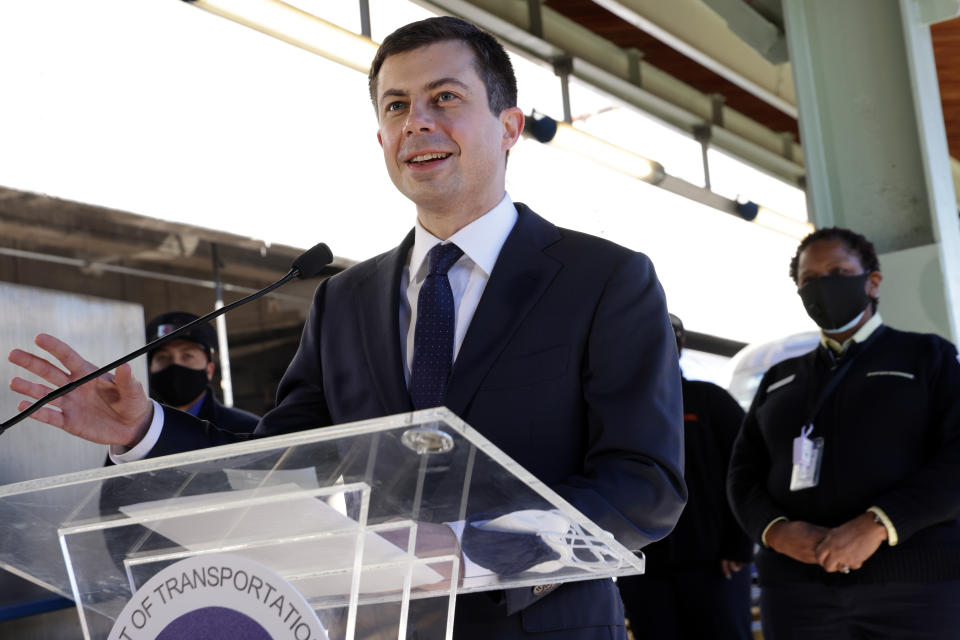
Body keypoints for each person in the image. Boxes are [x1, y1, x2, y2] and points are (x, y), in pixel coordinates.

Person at [8, 16, 685, 639]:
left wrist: (472, 545)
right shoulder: (344, 300)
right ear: (381, 138)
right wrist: (143, 432)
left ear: (509, 127)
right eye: (396, 106)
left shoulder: (604, 281)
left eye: (444, 98)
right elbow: (273, 466)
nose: (416, 122)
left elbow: (645, 486)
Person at [727, 227, 960, 639]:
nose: (823, 286)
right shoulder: (780, 378)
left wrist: (878, 524)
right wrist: (775, 531)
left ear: (872, 281)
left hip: (915, 588)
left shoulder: (927, 356)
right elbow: (742, 474)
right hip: (796, 593)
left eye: (838, 271)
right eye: (810, 280)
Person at [618, 313, 753, 640]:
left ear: (681, 343)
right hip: (643, 565)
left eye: (666, 336)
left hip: (714, 563)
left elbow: (749, 470)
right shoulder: (618, 409)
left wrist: (739, 545)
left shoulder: (710, 401)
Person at [143, 311, 258, 433]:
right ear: (150, 369)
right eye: (163, 357)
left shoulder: (247, 431)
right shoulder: (136, 433)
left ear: (209, 370)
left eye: (187, 356)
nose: (175, 364)